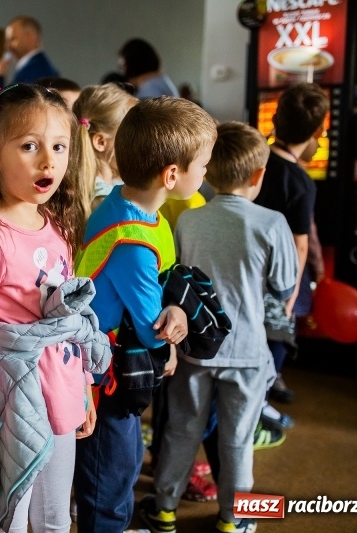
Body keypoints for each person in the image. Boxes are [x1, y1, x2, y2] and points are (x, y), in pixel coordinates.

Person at [0, 82, 111, 533]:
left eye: (59, 147)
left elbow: (65, 317)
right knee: (11, 521)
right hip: (9, 406)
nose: (49, 161)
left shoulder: (54, 225)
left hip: (60, 396)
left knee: (57, 517)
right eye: (29, 146)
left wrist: (82, 387)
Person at [138, 121, 298, 533]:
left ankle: (165, 510)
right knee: (239, 439)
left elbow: (176, 278)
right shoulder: (272, 223)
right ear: (258, 175)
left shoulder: (190, 222)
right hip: (247, 353)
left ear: (208, 170)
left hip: (195, 348)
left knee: (181, 429)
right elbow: (282, 288)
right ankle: (234, 519)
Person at [72, 96, 216, 533]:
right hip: (103, 378)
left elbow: (156, 292)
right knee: (109, 482)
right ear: (172, 174)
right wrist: (172, 336)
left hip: (113, 364)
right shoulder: (133, 239)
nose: (206, 171)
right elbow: (155, 327)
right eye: (204, 164)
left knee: (127, 460)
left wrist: (170, 307)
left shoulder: (126, 203)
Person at [254, 82, 329, 435]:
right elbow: (301, 244)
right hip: (276, 275)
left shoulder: (256, 162)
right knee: (279, 338)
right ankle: (262, 401)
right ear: (318, 130)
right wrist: (292, 294)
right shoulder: (301, 181)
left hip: (246, 267)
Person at [71, 83, 139, 213]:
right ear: (100, 142)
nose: (139, 145)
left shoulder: (103, 189)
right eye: (132, 137)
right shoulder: (104, 201)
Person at [0, 16, 59, 88]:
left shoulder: (37, 71)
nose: (7, 46)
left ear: (29, 37)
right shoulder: (37, 67)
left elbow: (10, 99)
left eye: (13, 39)